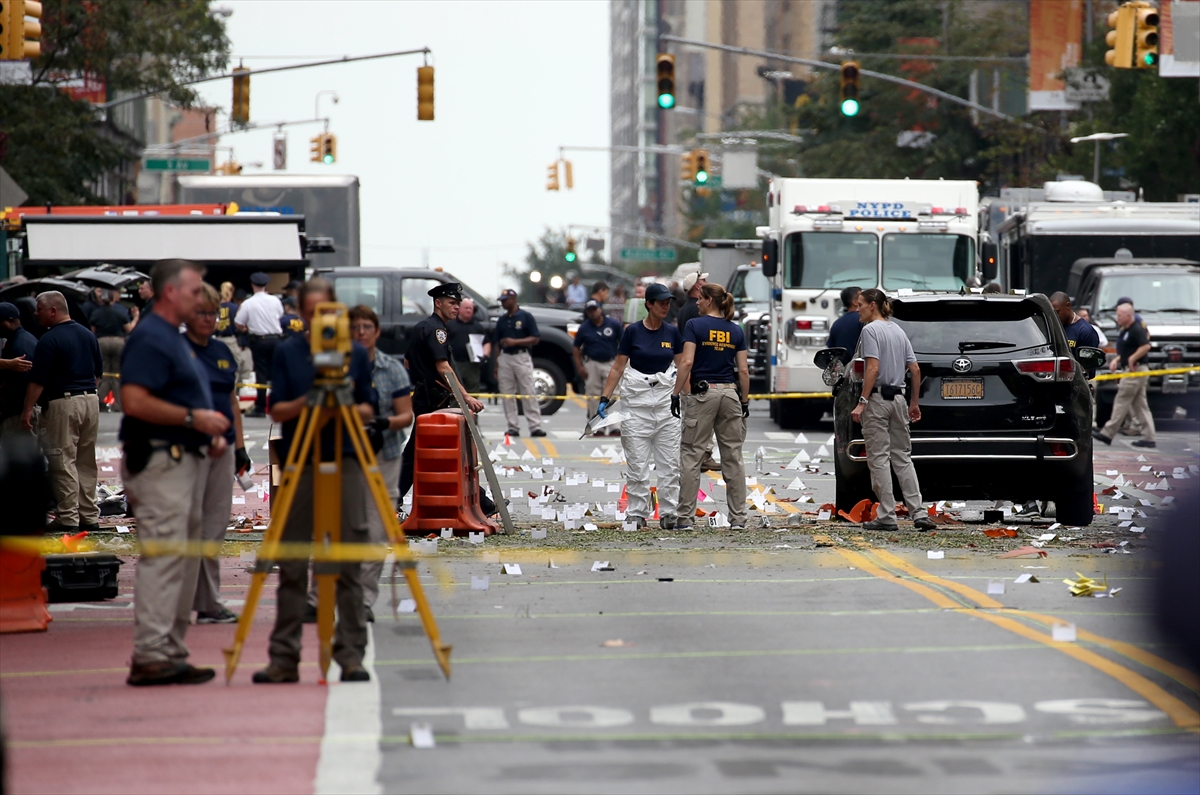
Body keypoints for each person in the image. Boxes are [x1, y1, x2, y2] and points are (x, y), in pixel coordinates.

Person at [258, 278, 376, 684]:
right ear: (300, 315)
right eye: (309, 313)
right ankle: (284, 657)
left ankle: (351, 656)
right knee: (291, 562)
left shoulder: (355, 355)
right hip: (302, 462)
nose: (317, 320)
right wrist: (313, 401)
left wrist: (340, 401)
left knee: (346, 562)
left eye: (324, 311)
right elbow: (279, 410)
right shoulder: (289, 352)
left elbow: (368, 409)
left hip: (345, 461)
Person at [119, 259, 230, 686]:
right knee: (166, 559)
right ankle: (152, 652)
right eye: (193, 289)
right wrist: (193, 421)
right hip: (165, 461)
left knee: (179, 560)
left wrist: (205, 433)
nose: (200, 297)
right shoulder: (152, 336)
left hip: (182, 456)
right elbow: (135, 401)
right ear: (171, 293)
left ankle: (167, 650)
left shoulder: (168, 336)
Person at [184, 283, 250, 625]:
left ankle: (208, 602)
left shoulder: (224, 353)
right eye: (201, 313)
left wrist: (240, 448)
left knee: (212, 529)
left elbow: (232, 402)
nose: (208, 319)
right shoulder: (176, 351)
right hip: (186, 450)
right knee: (185, 527)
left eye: (213, 313)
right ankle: (179, 602)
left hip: (222, 450)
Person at [398, 282, 496, 516]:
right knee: (443, 451)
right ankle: (483, 503)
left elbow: (408, 361)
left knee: (424, 451)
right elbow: (444, 367)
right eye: (452, 303)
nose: (456, 307)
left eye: (458, 303)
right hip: (434, 400)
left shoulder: (423, 326)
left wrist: (422, 379)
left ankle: (482, 502)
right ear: (438, 303)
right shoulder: (437, 330)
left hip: (425, 396)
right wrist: (465, 396)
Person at [849, 288, 936, 533]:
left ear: (872, 306)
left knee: (878, 459)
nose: (858, 309)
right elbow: (916, 369)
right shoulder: (898, 330)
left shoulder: (870, 331)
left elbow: (872, 369)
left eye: (861, 305)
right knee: (902, 458)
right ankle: (918, 513)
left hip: (877, 400)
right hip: (899, 398)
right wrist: (914, 403)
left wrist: (862, 402)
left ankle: (887, 515)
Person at [597, 283, 682, 529]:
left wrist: (687, 398)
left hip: (666, 405)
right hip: (637, 406)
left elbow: (682, 367)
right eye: (661, 302)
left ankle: (669, 513)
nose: (666, 306)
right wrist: (604, 399)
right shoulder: (633, 332)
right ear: (649, 304)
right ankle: (637, 512)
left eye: (668, 302)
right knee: (637, 463)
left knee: (669, 465)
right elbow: (618, 367)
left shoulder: (672, 333)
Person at [349, 304, 413, 622]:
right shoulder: (337, 367)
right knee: (339, 527)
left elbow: (406, 415)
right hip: (345, 455)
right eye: (355, 327)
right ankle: (320, 596)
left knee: (376, 528)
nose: (361, 332)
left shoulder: (392, 369)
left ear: (376, 331)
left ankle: (362, 599)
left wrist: (383, 424)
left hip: (383, 454)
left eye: (366, 327)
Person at [22, 291, 103, 533]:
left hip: (63, 402)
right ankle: (89, 515)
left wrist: (27, 409)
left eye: (39, 309)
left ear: (53, 311)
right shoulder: (87, 334)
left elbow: (38, 381)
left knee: (61, 460)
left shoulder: (49, 339)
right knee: (85, 460)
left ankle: (68, 517)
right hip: (90, 399)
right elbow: (98, 372)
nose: (36, 314)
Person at [672, 283, 750, 530]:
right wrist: (745, 400)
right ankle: (738, 518)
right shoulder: (736, 331)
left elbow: (686, 362)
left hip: (703, 394)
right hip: (730, 394)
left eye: (700, 298)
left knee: (692, 455)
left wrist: (676, 393)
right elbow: (744, 370)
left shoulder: (695, 326)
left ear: (709, 301)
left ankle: (685, 518)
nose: (696, 302)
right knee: (733, 458)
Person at [1093, 302, 1156, 449]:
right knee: (1140, 405)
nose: (1117, 318)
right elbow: (1126, 351)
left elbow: (1146, 346)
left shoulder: (1136, 329)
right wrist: (1117, 359)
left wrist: (1133, 358)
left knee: (1122, 400)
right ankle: (1149, 437)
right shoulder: (1126, 330)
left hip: (1135, 370)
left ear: (1128, 315)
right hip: (1133, 369)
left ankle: (1108, 433)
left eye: (1120, 315)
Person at [493, 288, 545, 437]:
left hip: (521, 356)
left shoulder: (525, 317)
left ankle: (535, 425)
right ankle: (512, 426)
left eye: (505, 300)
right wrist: (496, 364)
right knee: (507, 393)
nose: (503, 303)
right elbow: (497, 342)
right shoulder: (502, 320)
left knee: (527, 390)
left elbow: (535, 338)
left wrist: (515, 342)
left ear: (513, 299)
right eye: (501, 301)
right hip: (505, 357)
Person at [235, 272, 284, 417]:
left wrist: (246, 328)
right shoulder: (275, 300)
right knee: (277, 372)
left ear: (252, 285)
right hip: (276, 339)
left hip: (259, 340)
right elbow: (280, 315)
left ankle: (261, 407)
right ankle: (279, 403)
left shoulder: (248, 303)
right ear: (266, 285)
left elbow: (238, 322)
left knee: (261, 374)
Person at [573, 299, 623, 424]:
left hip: (610, 363)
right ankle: (596, 425)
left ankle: (613, 425)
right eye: (590, 311)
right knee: (593, 394)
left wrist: (621, 363)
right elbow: (576, 347)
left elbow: (623, 343)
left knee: (612, 393)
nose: (593, 313)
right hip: (592, 363)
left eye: (595, 310)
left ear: (600, 309)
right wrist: (580, 367)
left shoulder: (613, 324)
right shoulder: (584, 327)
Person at [90, 289, 133, 412]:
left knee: (103, 374)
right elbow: (128, 329)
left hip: (101, 342)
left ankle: (100, 402)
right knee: (117, 374)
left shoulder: (96, 313)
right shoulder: (120, 312)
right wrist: (136, 318)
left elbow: (92, 331)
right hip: (118, 342)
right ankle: (117, 404)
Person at [0, 302, 37, 437]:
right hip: (18, 409)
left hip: (17, 412)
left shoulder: (19, 345)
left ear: (10, 322)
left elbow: (23, 382)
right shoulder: (23, 338)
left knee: (18, 454)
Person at [216, 281, 254, 400]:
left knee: (219, 367)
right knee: (235, 366)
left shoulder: (215, 307)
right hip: (231, 339)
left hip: (217, 339)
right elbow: (241, 325)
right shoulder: (235, 308)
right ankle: (233, 394)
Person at [447, 297, 489, 394]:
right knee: (454, 390)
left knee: (473, 389)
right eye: (466, 308)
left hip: (472, 365)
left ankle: (471, 409)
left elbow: (486, 343)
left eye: (471, 308)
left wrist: (485, 355)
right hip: (455, 363)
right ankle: (455, 409)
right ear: (459, 309)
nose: (469, 310)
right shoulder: (450, 325)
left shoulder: (478, 326)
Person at [826, 286, 864, 364]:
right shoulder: (863, 320)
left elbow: (831, 348)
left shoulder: (836, 324)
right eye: (862, 297)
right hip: (862, 368)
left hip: (843, 370)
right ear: (855, 302)